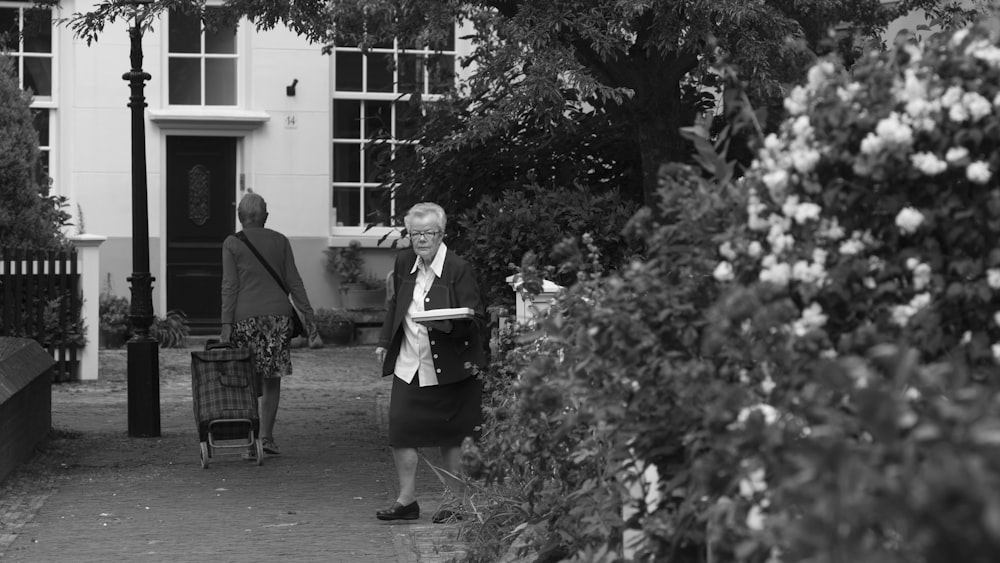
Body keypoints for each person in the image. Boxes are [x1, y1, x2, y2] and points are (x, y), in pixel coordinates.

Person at [374, 202, 487, 523]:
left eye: (429, 233)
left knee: (452, 437)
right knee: (402, 431)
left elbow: (475, 316)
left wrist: (448, 322)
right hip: (410, 363)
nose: (421, 239)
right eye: (415, 233)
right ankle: (406, 500)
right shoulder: (403, 262)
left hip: (451, 367)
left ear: (442, 233)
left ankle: (456, 503)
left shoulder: (458, 268)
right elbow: (395, 305)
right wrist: (384, 343)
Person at [220, 192, 316, 459]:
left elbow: (229, 287)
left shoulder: (232, 243)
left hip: (245, 319)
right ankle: (267, 437)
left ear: (240, 218)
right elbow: (294, 282)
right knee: (272, 378)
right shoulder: (280, 241)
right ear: (266, 217)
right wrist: (309, 319)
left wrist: (226, 324)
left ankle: (251, 440)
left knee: (247, 379)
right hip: (277, 318)